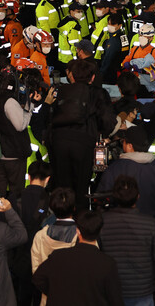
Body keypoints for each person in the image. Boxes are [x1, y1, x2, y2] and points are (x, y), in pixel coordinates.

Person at [51, 59, 118, 208]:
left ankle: (61, 221)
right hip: (83, 143)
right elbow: (108, 121)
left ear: (72, 76)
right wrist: (102, 133)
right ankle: (80, 222)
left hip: (59, 141)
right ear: (92, 77)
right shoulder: (98, 93)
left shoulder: (63, 91)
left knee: (62, 187)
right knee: (81, 188)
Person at [32, 210, 123, 306]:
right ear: (100, 231)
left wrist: (56, 293)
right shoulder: (107, 263)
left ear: (78, 231)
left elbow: (38, 278)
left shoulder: (58, 256)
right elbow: (115, 298)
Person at [100, 176, 155, 306]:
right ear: (138, 196)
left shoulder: (102, 222)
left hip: (112, 288)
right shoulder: (151, 224)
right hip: (143, 288)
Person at [0, 69, 38, 196]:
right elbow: (20, 125)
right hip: (13, 154)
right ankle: (13, 215)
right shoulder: (9, 101)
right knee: (16, 194)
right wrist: (29, 106)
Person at [97, 124, 155, 218]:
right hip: (152, 223)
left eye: (124, 142)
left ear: (130, 146)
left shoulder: (115, 168)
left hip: (121, 223)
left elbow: (102, 198)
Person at [11, 161, 51, 306]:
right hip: (41, 256)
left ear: (28, 176)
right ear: (47, 179)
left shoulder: (14, 198)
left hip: (17, 255)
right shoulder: (49, 200)